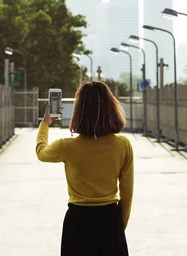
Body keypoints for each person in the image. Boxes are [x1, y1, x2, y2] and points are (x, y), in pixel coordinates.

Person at [36, 81, 134, 256]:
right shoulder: (123, 145)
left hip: (78, 223)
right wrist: (118, 227)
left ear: (79, 110)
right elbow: (127, 194)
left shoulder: (66, 146)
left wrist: (45, 123)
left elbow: (41, 152)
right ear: (111, 108)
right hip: (110, 220)